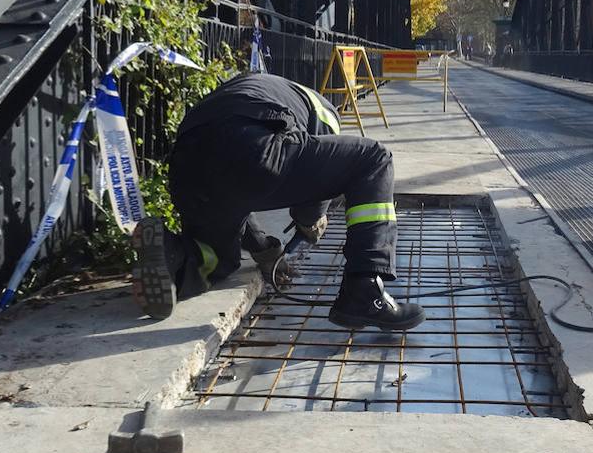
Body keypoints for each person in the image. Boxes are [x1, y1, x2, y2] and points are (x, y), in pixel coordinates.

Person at [130, 71, 425, 331]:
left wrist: (265, 250)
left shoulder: (243, 89)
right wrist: (310, 220)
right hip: (254, 149)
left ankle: (172, 257)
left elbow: (237, 191)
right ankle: (364, 288)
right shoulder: (323, 108)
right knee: (374, 159)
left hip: (187, 169)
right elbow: (319, 180)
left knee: (217, 258)